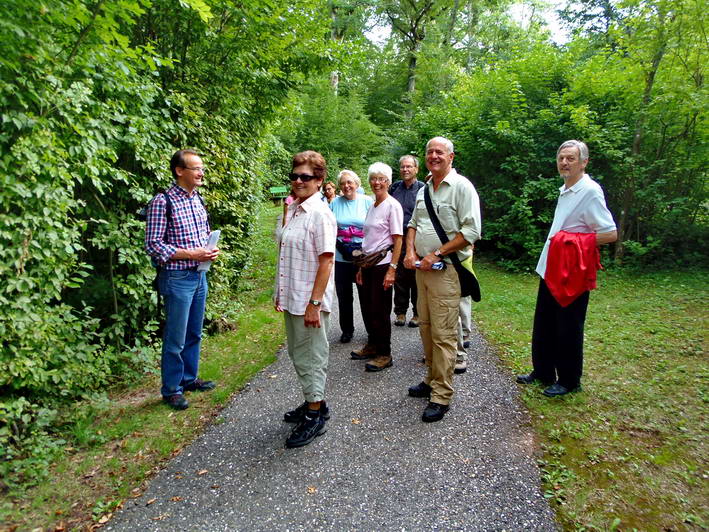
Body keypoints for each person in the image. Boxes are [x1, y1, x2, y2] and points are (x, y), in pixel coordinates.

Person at [516, 140, 617, 397]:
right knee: (545, 323)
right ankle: (543, 371)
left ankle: (570, 380)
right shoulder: (565, 188)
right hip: (550, 267)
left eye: (571, 158)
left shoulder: (590, 191)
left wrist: (571, 241)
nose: (564, 162)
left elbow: (609, 233)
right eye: (561, 157)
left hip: (572, 271)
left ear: (584, 162)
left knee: (568, 326)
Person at [403, 137, 481, 423]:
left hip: (446, 271)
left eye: (439, 152)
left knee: (444, 334)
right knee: (425, 327)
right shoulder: (425, 190)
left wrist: (435, 253)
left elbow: (471, 232)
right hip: (422, 270)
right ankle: (430, 379)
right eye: (429, 152)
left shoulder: (462, 187)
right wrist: (410, 251)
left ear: (451, 156)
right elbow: (413, 224)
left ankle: (441, 395)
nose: (433, 156)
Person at [145, 149, 220, 410]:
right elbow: (153, 245)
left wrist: (209, 250)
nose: (201, 173)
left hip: (200, 275)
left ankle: (189, 379)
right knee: (175, 337)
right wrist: (192, 253)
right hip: (177, 277)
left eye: (202, 169)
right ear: (179, 171)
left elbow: (202, 235)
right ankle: (172, 390)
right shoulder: (162, 202)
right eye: (196, 168)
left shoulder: (197, 199)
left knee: (193, 333)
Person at [275, 150, 336, 448]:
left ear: (320, 180)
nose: (298, 180)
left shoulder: (320, 214)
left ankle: (315, 414)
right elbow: (286, 253)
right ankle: (313, 401)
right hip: (292, 297)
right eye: (295, 175)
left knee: (312, 356)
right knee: (299, 354)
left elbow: (326, 262)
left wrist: (314, 304)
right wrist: (280, 294)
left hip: (309, 301)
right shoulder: (295, 210)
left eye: (306, 177)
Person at [352, 162, 403, 371]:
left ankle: (385, 353)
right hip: (368, 263)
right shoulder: (372, 205)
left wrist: (392, 268)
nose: (376, 182)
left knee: (380, 310)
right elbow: (367, 239)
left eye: (381, 179)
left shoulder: (393, 205)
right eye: (373, 178)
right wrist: (360, 268)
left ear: (388, 182)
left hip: (383, 265)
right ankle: (372, 345)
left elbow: (398, 239)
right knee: (367, 308)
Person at [329, 170, 373, 343]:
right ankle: (347, 330)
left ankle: (371, 329)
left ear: (357, 184)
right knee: (344, 295)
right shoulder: (334, 203)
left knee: (366, 295)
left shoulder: (367, 201)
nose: (346, 186)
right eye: (343, 183)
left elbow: (373, 228)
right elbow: (329, 227)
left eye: (350, 182)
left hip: (363, 258)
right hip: (341, 257)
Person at [389, 155, 424, 328]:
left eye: (409, 167)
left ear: (416, 169)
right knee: (400, 276)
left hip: (417, 238)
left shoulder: (423, 189)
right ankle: (400, 312)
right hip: (397, 238)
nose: (405, 170)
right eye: (403, 167)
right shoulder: (394, 188)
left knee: (416, 276)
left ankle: (417, 313)